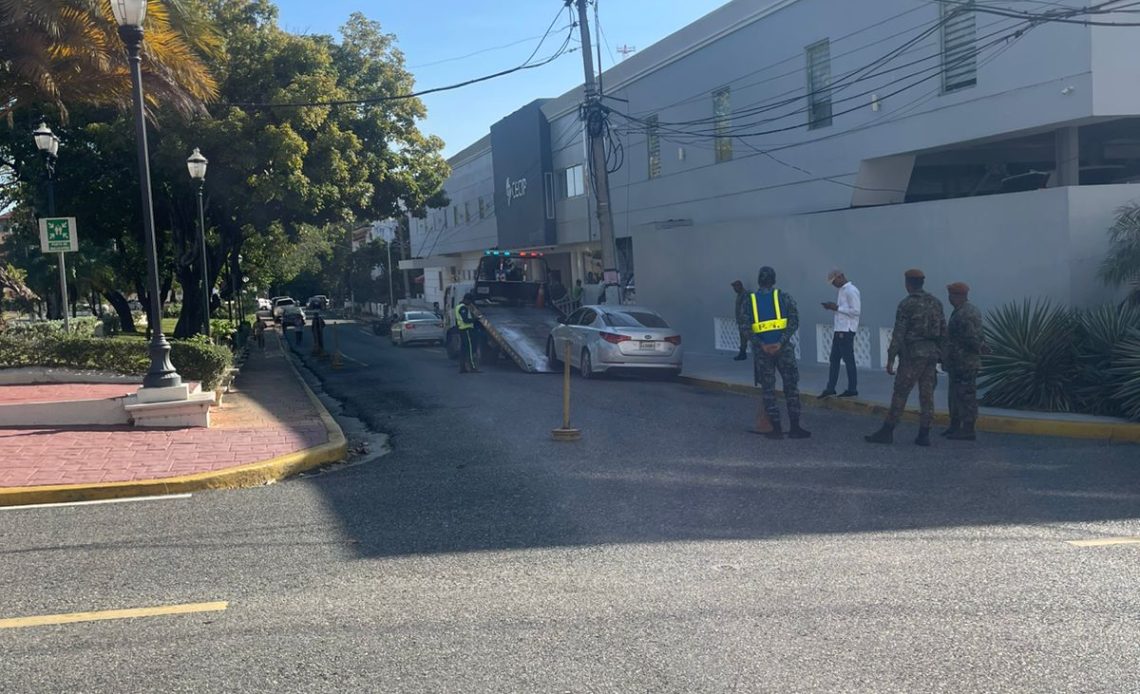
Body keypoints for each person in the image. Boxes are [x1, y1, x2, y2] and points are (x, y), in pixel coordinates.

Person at [866, 269, 946, 446]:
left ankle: (887, 431)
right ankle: (924, 434)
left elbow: (899, 333)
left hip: (913, 355)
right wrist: (941, 355)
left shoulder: (906, 304)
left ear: (907, 283)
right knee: (927, 395)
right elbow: (942, 331)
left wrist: (891, 358)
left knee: (901, 392)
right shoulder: (936, 303)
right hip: (931, 354)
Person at [749, 266, 811, 440]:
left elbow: (745, 327)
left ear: (759, 280)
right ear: (774, 280)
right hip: (783, 350)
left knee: (768, 390)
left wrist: (761, 344)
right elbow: (794, 321)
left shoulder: (750, 300)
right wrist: (781, 341)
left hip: (763, 352)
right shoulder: (784, 297)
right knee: (791, 387)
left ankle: (775, 429)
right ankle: (795, 428)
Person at [943, 282, 986, 441]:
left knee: (966, 395)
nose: (949, 298)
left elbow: (972, 338)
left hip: (965, 363)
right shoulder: (964, 310)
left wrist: (979, 347)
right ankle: (955, 426)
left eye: (951, 295)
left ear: (957, 296)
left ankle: (968, 429)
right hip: (958, 362)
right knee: (955, 395)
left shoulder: (965, 313)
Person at [820, 268, 862, 397]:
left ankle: (852, 389)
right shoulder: (842, 291)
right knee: (834, 359)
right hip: (839, 329)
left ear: (841, 277)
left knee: (848, 360)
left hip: (847, 330)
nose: (834, 284)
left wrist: (837, 308)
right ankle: (831, 387)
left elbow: (856, 311)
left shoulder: (851, 290)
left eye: (834, 281)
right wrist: (832, 307)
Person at [455, 293, 480, 373]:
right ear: (466, 300)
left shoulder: (458, 306)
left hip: (462, 330)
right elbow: (465, 320)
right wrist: (475, 319)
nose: (470, 303)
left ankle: (463, 368)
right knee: (470, 349)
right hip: (467, 330)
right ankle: (472, 367)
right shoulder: (463, 308)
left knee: (464, 350)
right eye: (470, 301)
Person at [731, 280, 750, 361]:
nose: (734, 289)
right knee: (742, 339)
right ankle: (742, 353)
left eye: (735, 287)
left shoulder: (745, 295)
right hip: (741, 321)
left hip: (745, 322)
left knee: (749, 337)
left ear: (740, 286)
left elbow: (745, 309)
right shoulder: (739, 295)